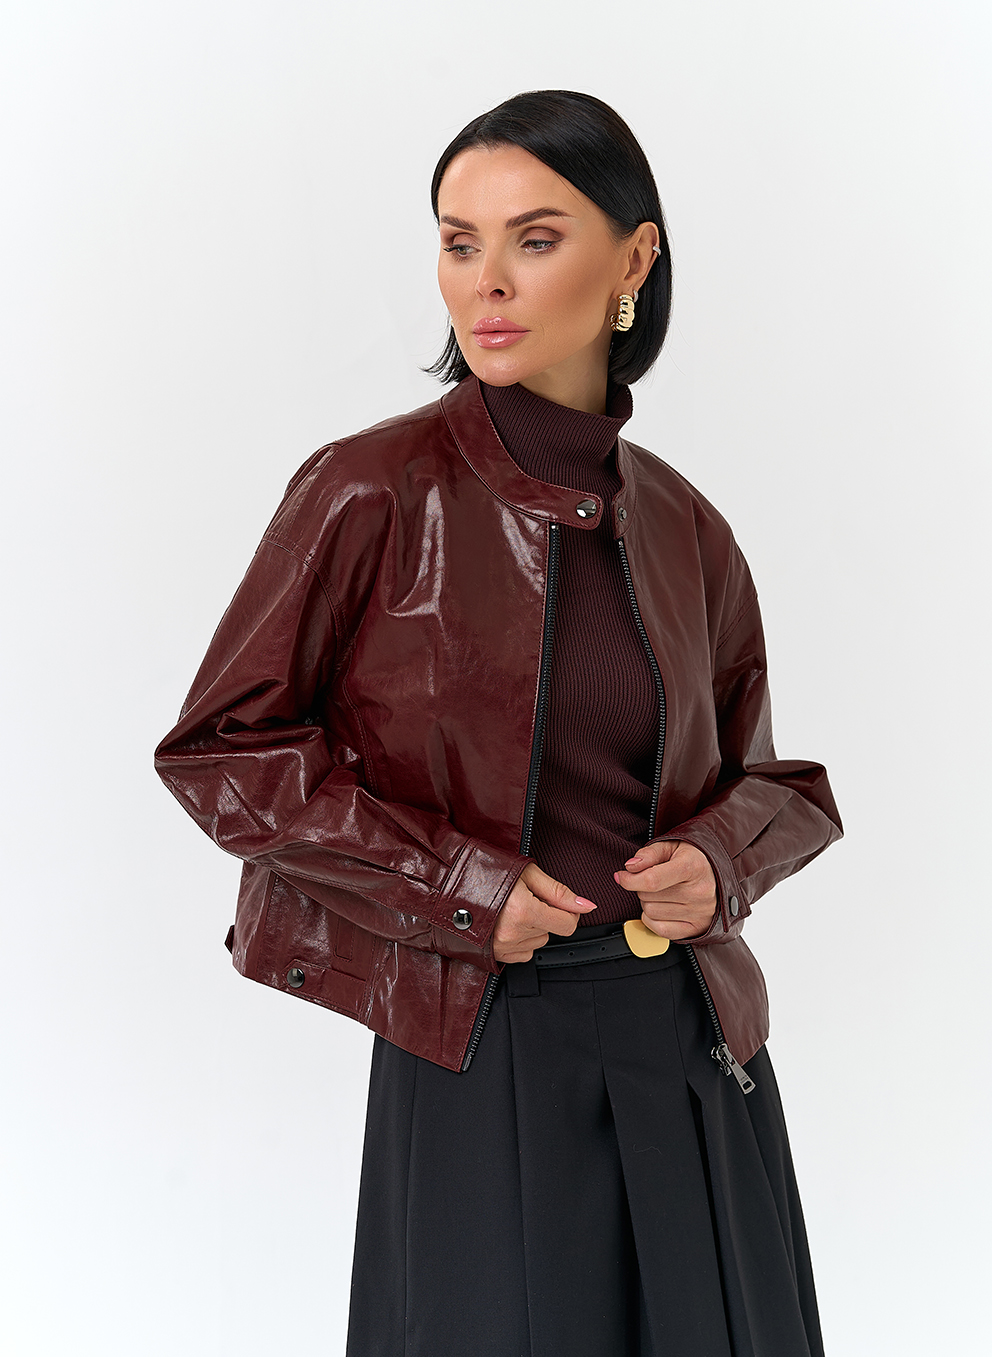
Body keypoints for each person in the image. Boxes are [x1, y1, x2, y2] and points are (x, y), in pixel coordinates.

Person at [155, 90, 843, 1357]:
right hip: (484, 1034)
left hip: (688, 1036)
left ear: (632, 260)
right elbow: (223, 751)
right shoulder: (368, 490)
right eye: (458, 241)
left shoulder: (683, 525)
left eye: (535, 238)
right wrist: (457, 889)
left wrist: (718, 860)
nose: (487, 280)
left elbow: (769, 779)